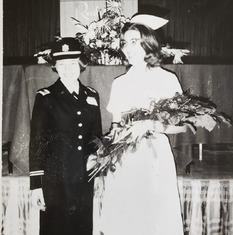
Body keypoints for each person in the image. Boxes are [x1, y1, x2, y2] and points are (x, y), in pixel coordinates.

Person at [94, 22, 187, 235]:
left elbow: (182, 127)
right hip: (125, 157)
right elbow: (115, 127)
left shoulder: (167, 79)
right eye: (125, 43)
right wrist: (105, 153)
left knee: (155, 215)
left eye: (134, 42)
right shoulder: (120, 83)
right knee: (126, 217)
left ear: (148, 43)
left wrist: (152, 124)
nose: (128, 48)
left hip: (155, 156)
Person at [29, 37, 102, 235]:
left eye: (72, 64)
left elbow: (96, 137)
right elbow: (37, 142)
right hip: (56, 179)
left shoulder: (91, 95)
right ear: (55, 67)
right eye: (62, 64)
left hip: (84, 175)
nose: (68, 69)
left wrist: (99, 173)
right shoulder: (46, 97)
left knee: (82, 226)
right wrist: (36, 185)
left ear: (80, 65)